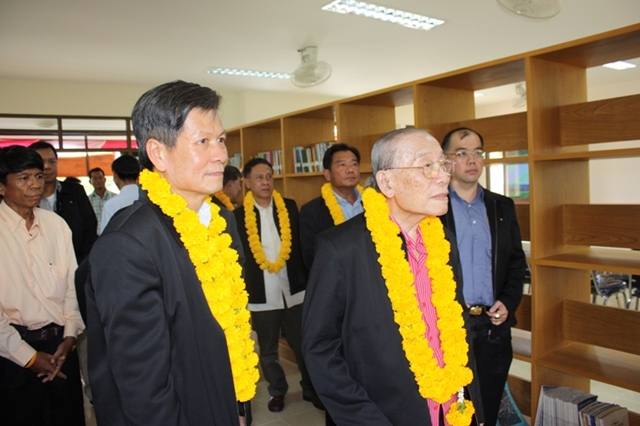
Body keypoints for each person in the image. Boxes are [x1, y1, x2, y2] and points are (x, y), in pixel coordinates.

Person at [83, 80, 259, 425]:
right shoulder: (128, 243)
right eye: (203, 141)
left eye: (221, 139)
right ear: (158, 153)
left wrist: (238, 408)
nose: (221, 155)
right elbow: (144, 388)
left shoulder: (221, 220)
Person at [302, 128, 483, 426]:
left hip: (453, 409)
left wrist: (474, 407)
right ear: (387, 182)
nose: (442, 176)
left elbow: (458, 328)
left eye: (443, 164)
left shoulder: (444, 241)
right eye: (427, 166)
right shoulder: (340, 249)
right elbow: (320, 349)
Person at [440, 127, 527, 426]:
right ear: (447, 160)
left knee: (487, 408)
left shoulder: (502, 206)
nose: (472, 160)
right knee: (451, 408)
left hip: (493, 326)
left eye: (478, 152)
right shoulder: (434, 207)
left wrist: (508, 301)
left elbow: (516, 262)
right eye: (462, 153)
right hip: (450, 325)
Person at [0, 145, 86, 426]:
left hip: (60, 348)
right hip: (11, 352)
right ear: (2, 187)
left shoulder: (56, 225)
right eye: (23, 178)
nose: (35, 184)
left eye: (38, 176)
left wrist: (70, 336)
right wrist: (29, 357)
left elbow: (72, 287)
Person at [233, 157, 322, 413]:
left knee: (303, 343)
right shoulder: (238, 217)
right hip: (261, 294)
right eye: (259, 177)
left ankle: (311, 388)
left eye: (269, 176)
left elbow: (301, 246)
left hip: (294, 290)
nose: (266, 182)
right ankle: (278, 391)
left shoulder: (289, 207)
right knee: (268, 349)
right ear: (247, 182)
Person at [28, 141, 97, 264]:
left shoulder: (75, 191)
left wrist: (82, 263)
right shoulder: (26, 197)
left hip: (76, 262)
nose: (47, 166)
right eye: (42, 162)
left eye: (52, 161)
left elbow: (90, 227)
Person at [299, 143, 363, 270]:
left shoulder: (375, 203)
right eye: (342, 165)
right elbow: (311, 257)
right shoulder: (311, 211)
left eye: (354, 164)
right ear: (327, 174)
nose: (350, 169)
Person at [98, 154, 140, 234]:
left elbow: (106, 237)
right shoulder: (151, 200)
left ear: (115, 175)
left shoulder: (111, 205)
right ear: (138, 174)